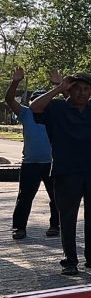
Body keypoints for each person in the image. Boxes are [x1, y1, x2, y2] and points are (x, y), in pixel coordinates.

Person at [30, 70, 91, 276]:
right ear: (69, 91)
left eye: (86, 89)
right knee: (68, 217)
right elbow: (34, 107)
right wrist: (58, 88)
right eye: (77, 89)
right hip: (66, 170)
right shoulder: (57, 108)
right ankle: (70, 260)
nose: (82, 93)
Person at [6, 68, 58, 240]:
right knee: (24, 197)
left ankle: (55, 226)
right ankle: (19, 228)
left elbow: (72, 103)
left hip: (52, 163)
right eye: (36, 100)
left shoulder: (55, 114)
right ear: (31, 102)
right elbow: (9, 100)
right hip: (30, 163)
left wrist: (59, 85)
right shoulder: (25, 113)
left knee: (57, 197)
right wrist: (16, 82)